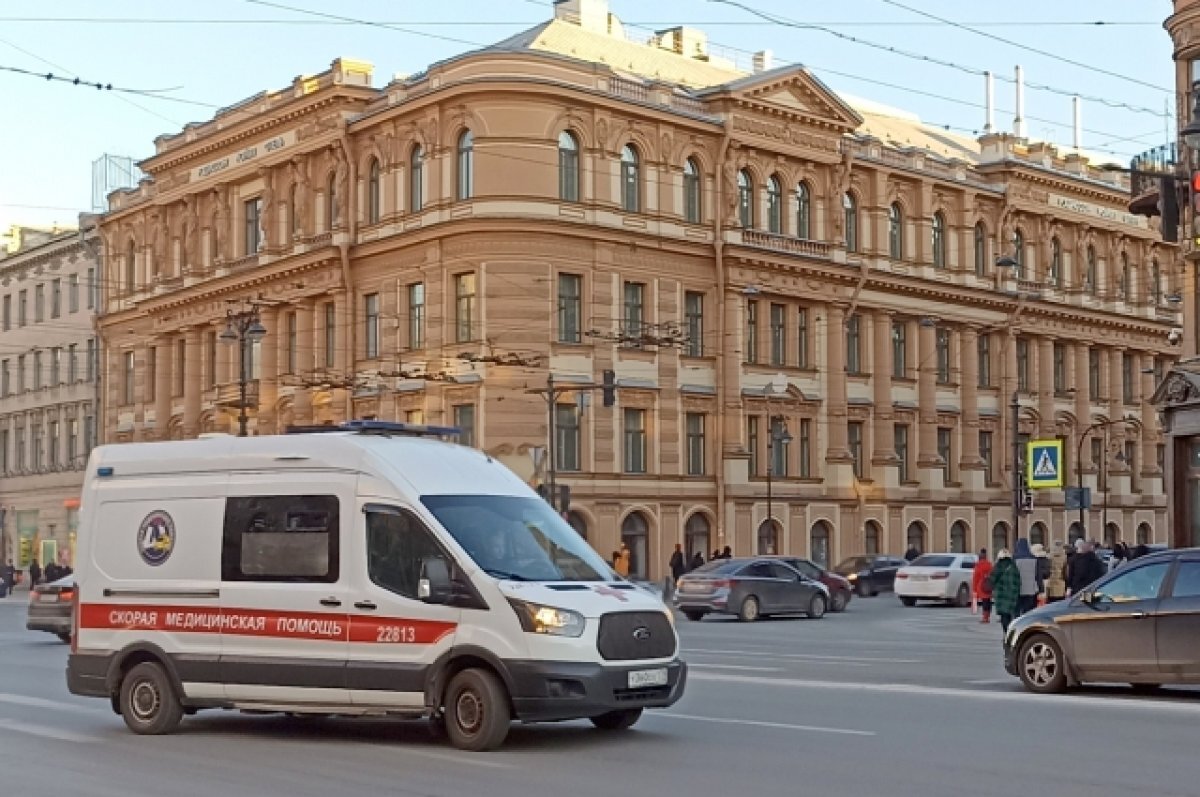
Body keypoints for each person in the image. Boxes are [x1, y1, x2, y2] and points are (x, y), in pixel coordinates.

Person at [989, 549, 1022, 633]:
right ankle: (1011, 632)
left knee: (1004, 616)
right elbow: (1018, 581)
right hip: (1012, 595)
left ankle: (1006, 633)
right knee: (1011, 615)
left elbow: (992, 580)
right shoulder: (1013, 566)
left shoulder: (998, 566)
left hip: (1001, 595)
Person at [1013, 539, 1039, 616]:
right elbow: (1038, 575)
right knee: (1028, 611)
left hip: (1018, 588)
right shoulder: (1034, 558)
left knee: (1017, 610)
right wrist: (1040, 588)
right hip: (1030, 589)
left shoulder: (1015, 558)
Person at [972, 549, 994, 624]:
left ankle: (985, 617)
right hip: (989, 585)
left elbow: (976, 577)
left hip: (982, 586)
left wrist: (974, 588)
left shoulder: (978, 565)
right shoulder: (989, 564)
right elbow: (993, 574)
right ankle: (987, 616)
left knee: (984, 602)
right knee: (988, 601)